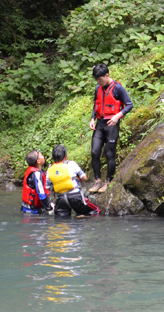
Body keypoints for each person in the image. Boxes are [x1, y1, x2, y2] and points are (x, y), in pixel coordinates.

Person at [86, 63, 133, 193]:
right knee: (95, 152)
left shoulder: (118, 88)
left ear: (107, 75)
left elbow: (129, 105)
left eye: (100, 79)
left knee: (109, 154)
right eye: (97, 80)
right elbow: (96, 104)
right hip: (100, 125)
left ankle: (108, 182)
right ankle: (97, 181)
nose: (99, 82)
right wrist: (92, 118)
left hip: (112, 125)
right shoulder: (98, 88)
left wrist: (117, 116)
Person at [46, 144, 100, 217]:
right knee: (96, 210)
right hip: (75, 197)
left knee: (61, 223)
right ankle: (82, 217)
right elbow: (84, 177)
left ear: (53, 157)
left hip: (61, 200)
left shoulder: (49, 169)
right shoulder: (71, 164)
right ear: (66, 156)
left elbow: (48, 187)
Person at [21, 150, 52, 214]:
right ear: (38, 161)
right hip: (32, 211)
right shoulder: (36, 174)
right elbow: (41, 193)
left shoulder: (39, 172)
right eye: (41, 155)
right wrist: (48, 207)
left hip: (29, 209)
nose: (43, 156)